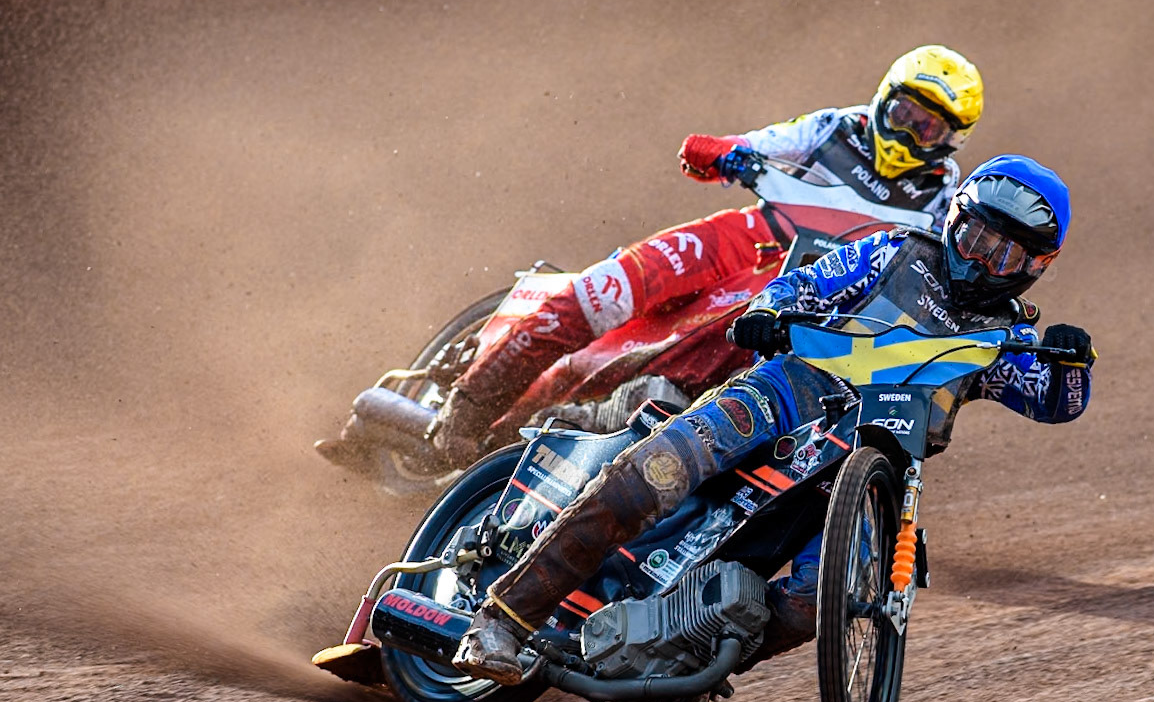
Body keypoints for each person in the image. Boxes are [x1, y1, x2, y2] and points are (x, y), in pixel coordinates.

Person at [452, 153, 1095, 702]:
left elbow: (1058, 403)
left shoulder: (1010, 340)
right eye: (974, 236)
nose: (980, 259)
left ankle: (700, 660)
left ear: (1035, 268)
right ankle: (502, 619)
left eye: (1003, 254)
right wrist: (772, 309)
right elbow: (808, 283)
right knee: (658, 471)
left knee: (820, 602)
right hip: (790, 391)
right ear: (954, 221)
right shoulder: (895, 252)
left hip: (882, 466)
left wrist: (1072, 364)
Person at [317, 46, 986, 473]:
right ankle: (461, 412)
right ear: (881, 98)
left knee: (691, 377)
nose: (907, 133)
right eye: (902, 112)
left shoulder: (943, 201)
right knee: (601, 292)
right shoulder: (833, 128)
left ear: (950, 138)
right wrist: (724, 152)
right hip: (742, 238)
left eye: (929, 127)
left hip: (796, 292)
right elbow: (741, 143)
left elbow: (941, 277)